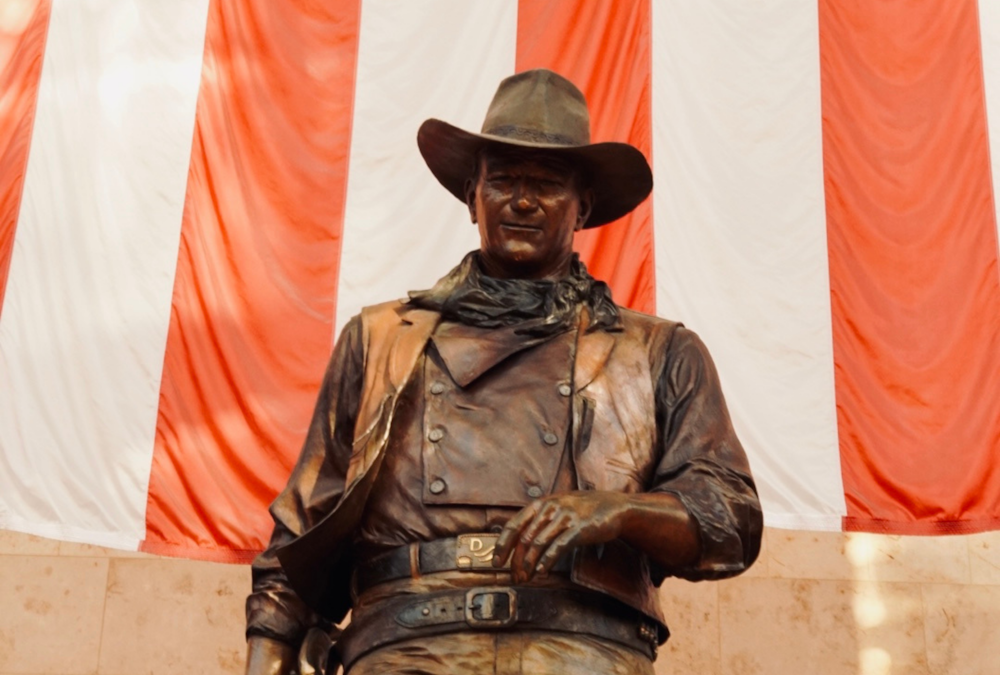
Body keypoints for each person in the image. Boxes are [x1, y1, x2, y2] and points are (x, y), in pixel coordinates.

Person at [245, 69, 762, 674]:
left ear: (583, 207)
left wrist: (617, 511)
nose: (522, 200)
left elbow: (731, 518)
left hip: (583, 651)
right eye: (505, 181)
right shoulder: (380, 340)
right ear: (472, 197)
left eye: (545, 184)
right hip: (405, 650)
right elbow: (298, 537)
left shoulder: (658, 351)